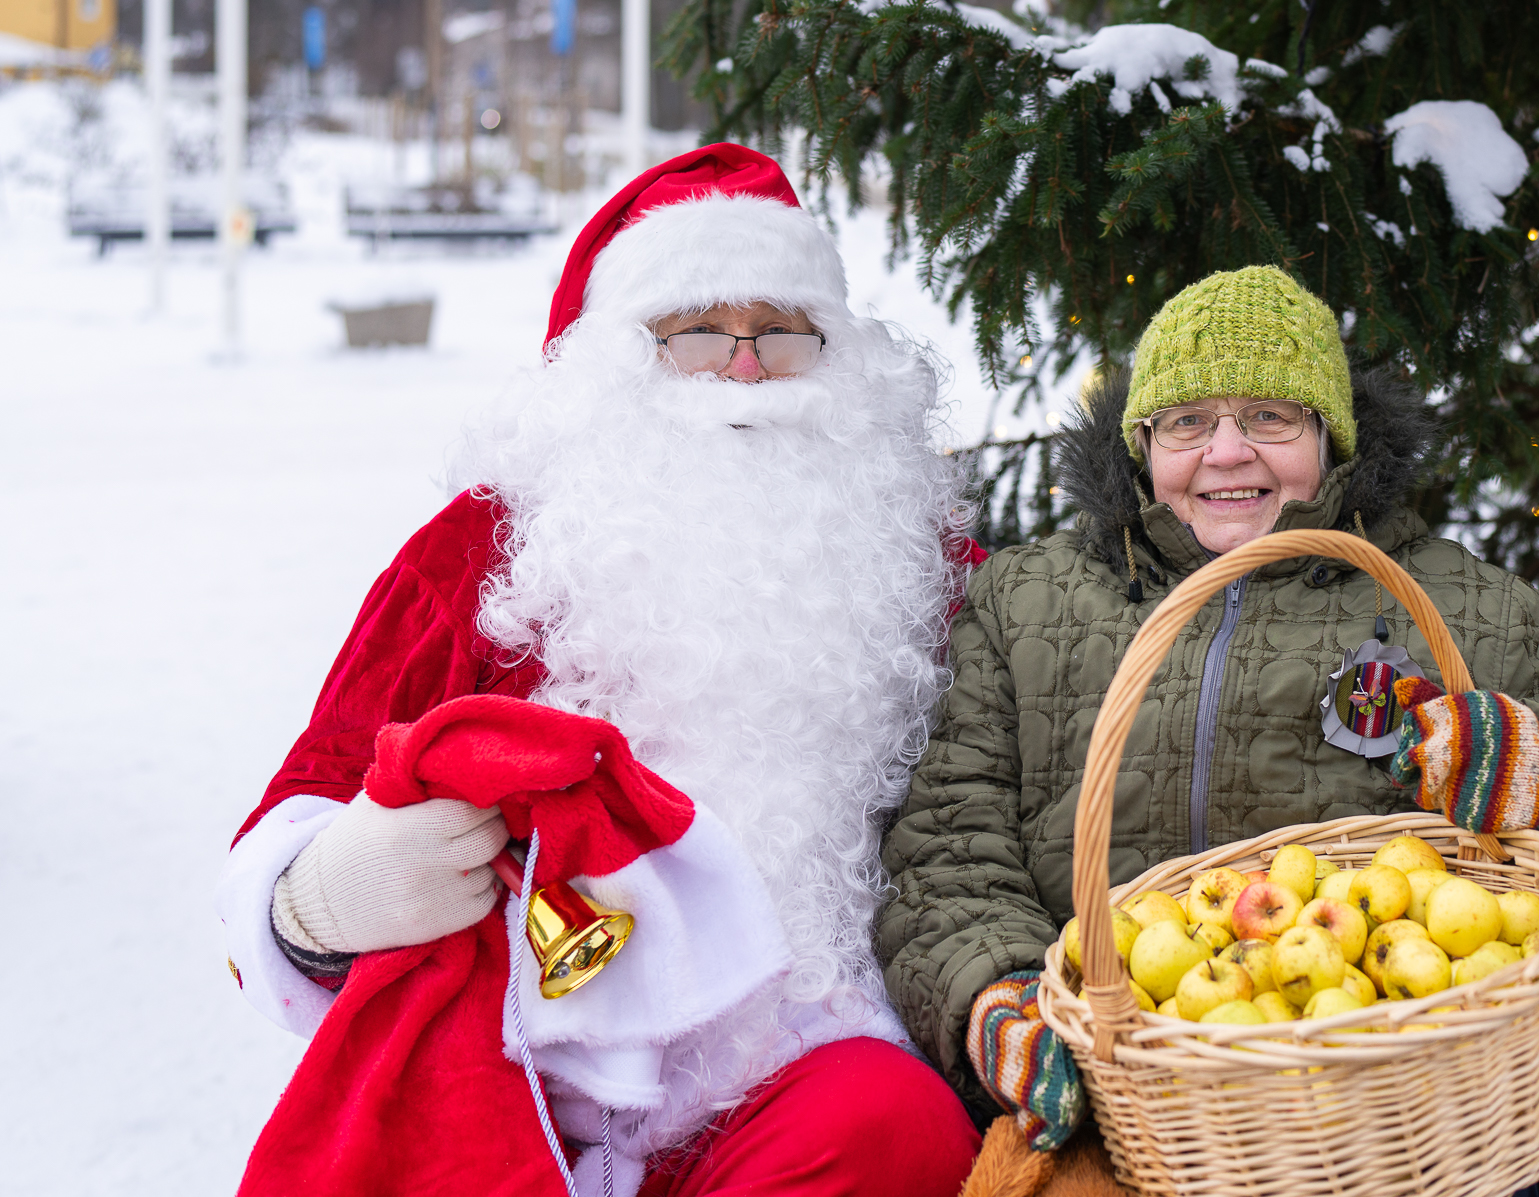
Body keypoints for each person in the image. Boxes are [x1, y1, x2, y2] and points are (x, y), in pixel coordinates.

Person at [217, 144, 983, 1197]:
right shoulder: (486, 547)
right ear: (615, 359)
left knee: (895, 1131)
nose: (746, 365)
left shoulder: (916, 556)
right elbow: (313, 786)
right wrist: (314, 905)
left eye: (781, 332)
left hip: (798, 1068)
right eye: (699, 331)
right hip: (524, 1074)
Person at [878, 265, 1539, 1189]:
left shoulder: (1465, 609)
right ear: (1141, 444)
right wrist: (1001, 993)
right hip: (1123, 1116)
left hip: (1399, 1124)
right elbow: (949, 844)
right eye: (1188, 422)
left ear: (1330, 436)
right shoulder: (1025, 600)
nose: (1227, 453)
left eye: (1270, 416)